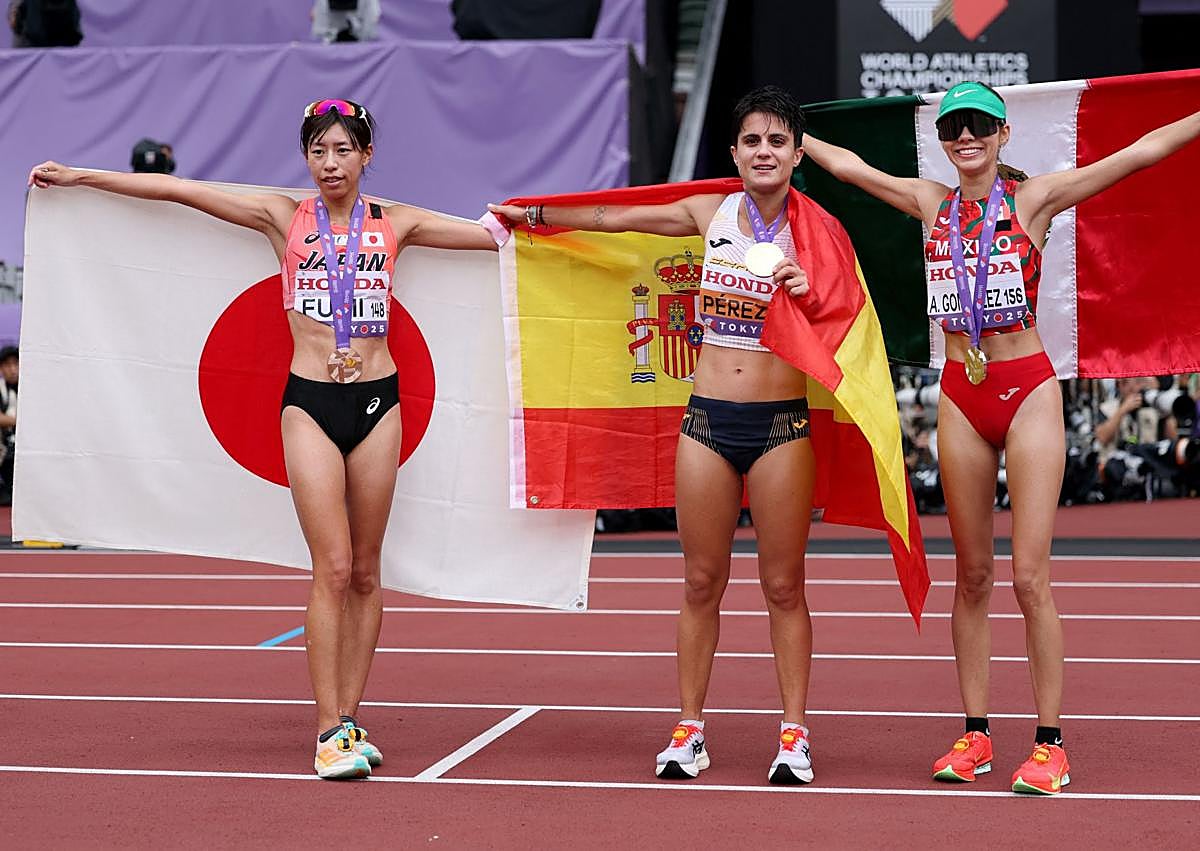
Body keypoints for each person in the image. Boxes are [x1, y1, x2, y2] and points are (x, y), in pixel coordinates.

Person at [29, 98, 508, 779]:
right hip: (309, 404)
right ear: (306, 157)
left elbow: (496, 238)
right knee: (332, 567)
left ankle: (349, 718)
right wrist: (81, 177)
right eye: (318, 151)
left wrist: (559, 221)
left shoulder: (397, 223)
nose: (330, 163)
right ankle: (326, 731)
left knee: (367, 572)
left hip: (379, 403)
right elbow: (180, 191)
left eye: (343, 150)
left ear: (366, 155)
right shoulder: (282, 217)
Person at [801, 82, 1200, 794]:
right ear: (943, 139)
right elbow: (851, 170)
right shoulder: (932, 203)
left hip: (1028, 393)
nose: (966, 136)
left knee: (1028, 577)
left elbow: (1139, 154)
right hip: (962, 394)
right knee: (973, 575)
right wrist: (788, 132)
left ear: (1002, 134)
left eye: (979, 124)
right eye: (954, 126)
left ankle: (1050, 744)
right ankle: (976, 734)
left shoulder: (1033, 199)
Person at [492, 86, 820, 785]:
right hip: (707, 421)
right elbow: (617, 217)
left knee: (783, 584)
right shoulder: (709, 212)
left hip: (782, 426)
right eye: (752, 141)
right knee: (700, 580)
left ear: (798, 154)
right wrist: (538, 215)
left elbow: (847, 318)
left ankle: (794, 734)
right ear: (734, 154)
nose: (764, 152)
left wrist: (809, 289)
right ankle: (689, 729)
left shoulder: (818, 231)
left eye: (777, 141)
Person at [311, 0, 380, 44]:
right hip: (331, 45)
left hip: (360, 44)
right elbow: (319, 29)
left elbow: (370, 27)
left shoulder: (368, 2)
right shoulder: (323, 2)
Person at [0, 345, 17, 506]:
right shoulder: (1, 389)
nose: (12, 369)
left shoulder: (32, 388)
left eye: (15, 364)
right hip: (5, 450)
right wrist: (20, 421)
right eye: (7, 365)